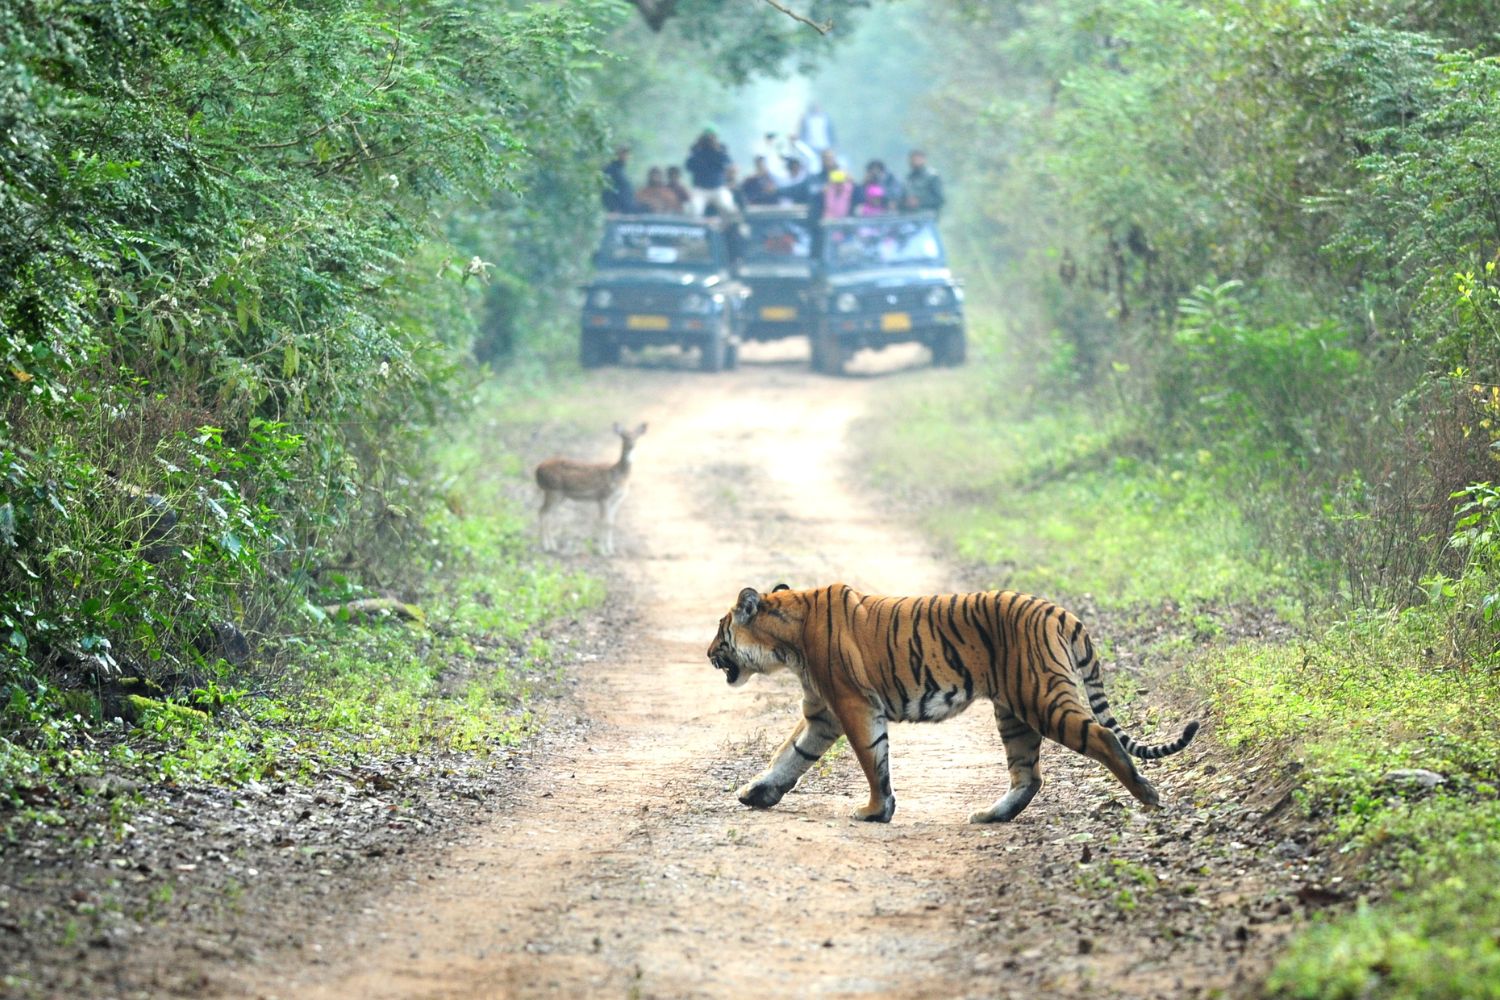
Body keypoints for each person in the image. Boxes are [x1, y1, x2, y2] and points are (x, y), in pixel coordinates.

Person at [685, 128, 737, 217]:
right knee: (694, 210)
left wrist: (717, 148)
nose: (708, 142)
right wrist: (695, 148)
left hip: (718, 189)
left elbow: (729, 165)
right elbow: (688, 166)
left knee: (728, 207)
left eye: (711, 139)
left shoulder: (719, 153)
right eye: (707, 139)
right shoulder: (696, 153)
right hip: (700, 190)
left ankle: (733, 224)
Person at [903, 149, 945, 215]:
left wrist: (920, 202)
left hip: (928, 216)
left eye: (917, 159)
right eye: (913, 160)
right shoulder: (908, 178)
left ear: (924, 159)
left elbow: (939, 199)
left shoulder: (932, 176)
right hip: (910, 216)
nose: (915, 162)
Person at [601, 144, 635, 213]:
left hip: (627, 210)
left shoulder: (621, 170)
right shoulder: (610, 169)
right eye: (623, 153)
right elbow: (606, 191)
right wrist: (614, 209)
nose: (625, 156)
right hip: (617, 212)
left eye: (627, 153)